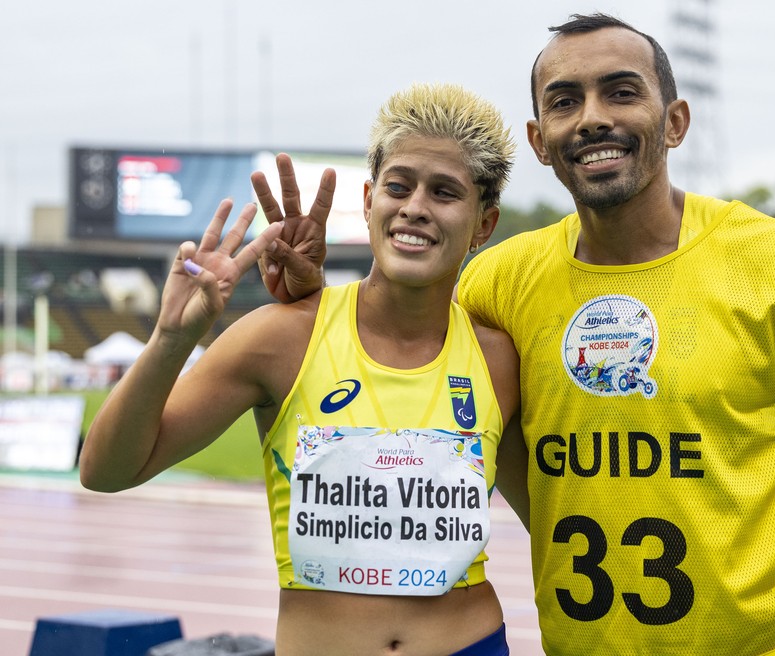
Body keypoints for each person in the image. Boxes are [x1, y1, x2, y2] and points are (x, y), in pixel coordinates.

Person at [263, 14, 775, 655]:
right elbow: (389, 343)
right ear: (539, 140)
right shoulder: (496, 285)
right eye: (564, 101)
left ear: (674, 121)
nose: (592, 118)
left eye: (620, 93)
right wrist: (308, 301)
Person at [79, 82, 524, 656]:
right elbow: (105, 471)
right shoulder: (282, 337)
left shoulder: (498, 359)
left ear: (483, 225)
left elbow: (552, 518)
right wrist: (171, 338)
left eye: (444, 192)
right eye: (398, 186)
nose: (415, 207)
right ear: (368, 202)